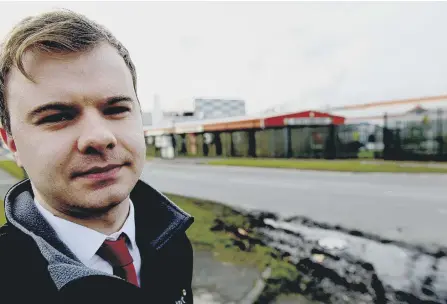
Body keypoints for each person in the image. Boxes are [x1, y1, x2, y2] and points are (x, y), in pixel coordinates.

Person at [0, 9, 195, 304]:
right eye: (57, 116)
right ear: (11, 144)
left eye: (116, 109)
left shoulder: (172, 238)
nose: (100, 137)